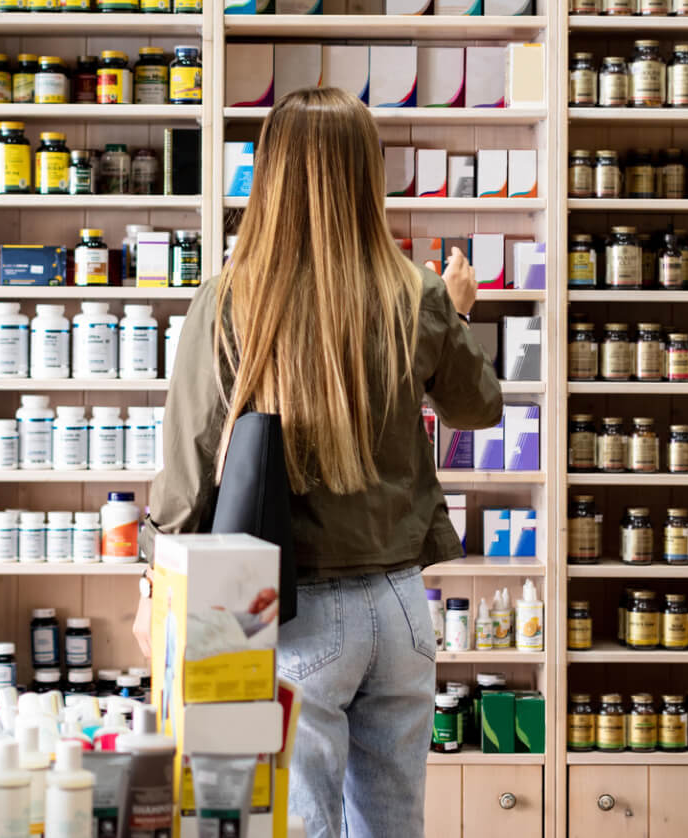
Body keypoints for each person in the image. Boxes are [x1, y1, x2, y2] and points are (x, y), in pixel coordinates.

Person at [134, 86, 502, 838]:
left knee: (298, 828)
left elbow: (187, 468)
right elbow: (478, 407)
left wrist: (152, 586)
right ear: (369, 177)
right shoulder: (419, 293)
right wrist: (460, 314)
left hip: (288, 613)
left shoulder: (231, 299)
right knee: (394, 825)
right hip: (403, 610)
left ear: (269, 177)